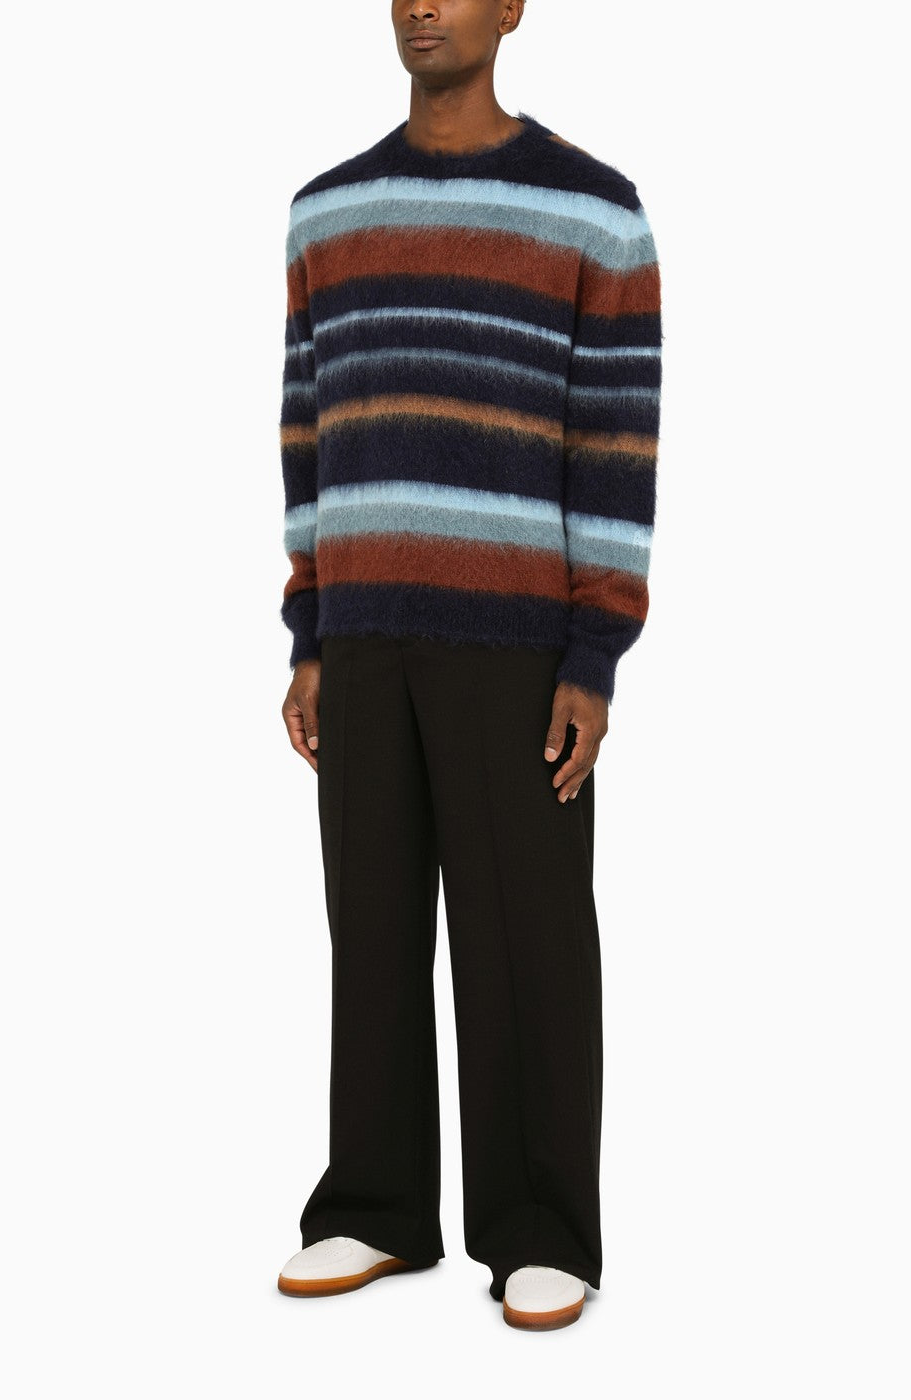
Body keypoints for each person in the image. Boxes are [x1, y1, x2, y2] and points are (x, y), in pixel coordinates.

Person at [273, 0, 661, 1331]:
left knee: (527, 937)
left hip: (517, 637)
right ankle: (376, 1207)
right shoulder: (326, 213)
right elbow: (306, 435)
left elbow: (616, 443)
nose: (421, 5)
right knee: (372, 929)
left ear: (513, 8)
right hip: (364, 630)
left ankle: (542, 1227)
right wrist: (310, 630)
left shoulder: (594, 213)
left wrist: (594, 652)